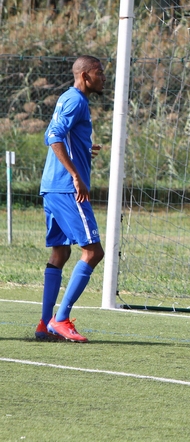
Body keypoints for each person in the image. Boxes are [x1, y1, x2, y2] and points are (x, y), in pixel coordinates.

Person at [36, 55, 107, 343]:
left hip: (52, 187)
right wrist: (76, 175)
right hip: (67, 189)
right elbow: (53, 136)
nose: (103, 77)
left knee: (60, 253)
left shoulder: (69, 98)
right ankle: (61, 318)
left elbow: (61, 136)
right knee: (93, 252)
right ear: (85, 76)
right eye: (99, 72)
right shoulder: (76, 100)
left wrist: (83, 149)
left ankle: (44, 324)